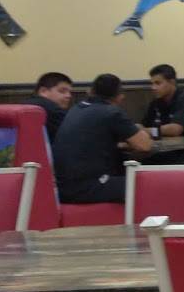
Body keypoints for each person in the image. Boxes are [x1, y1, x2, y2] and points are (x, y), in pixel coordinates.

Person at [54, 73, 152, 204]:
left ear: (91, 91)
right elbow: (144, 145)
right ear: (119, 97)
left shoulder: (76, 108)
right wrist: (140, 130)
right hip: (86, 188)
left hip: (63, 187)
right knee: (149, 182)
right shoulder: (111, 112)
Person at [143, 64, 184, 138]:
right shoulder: (156, 102)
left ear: (172, 82)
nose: (153, 87)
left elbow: (176, 129)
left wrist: (144, 130)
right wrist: (136, 129)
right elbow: (144, 125)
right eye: (152, 84)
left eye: (158, 83)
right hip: (170, 144)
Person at [24, 71, 73, 143]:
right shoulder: (52, 110)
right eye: (62, 91)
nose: (68, 96)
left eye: (70, 92)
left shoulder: (24, 104)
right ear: (43, 91)